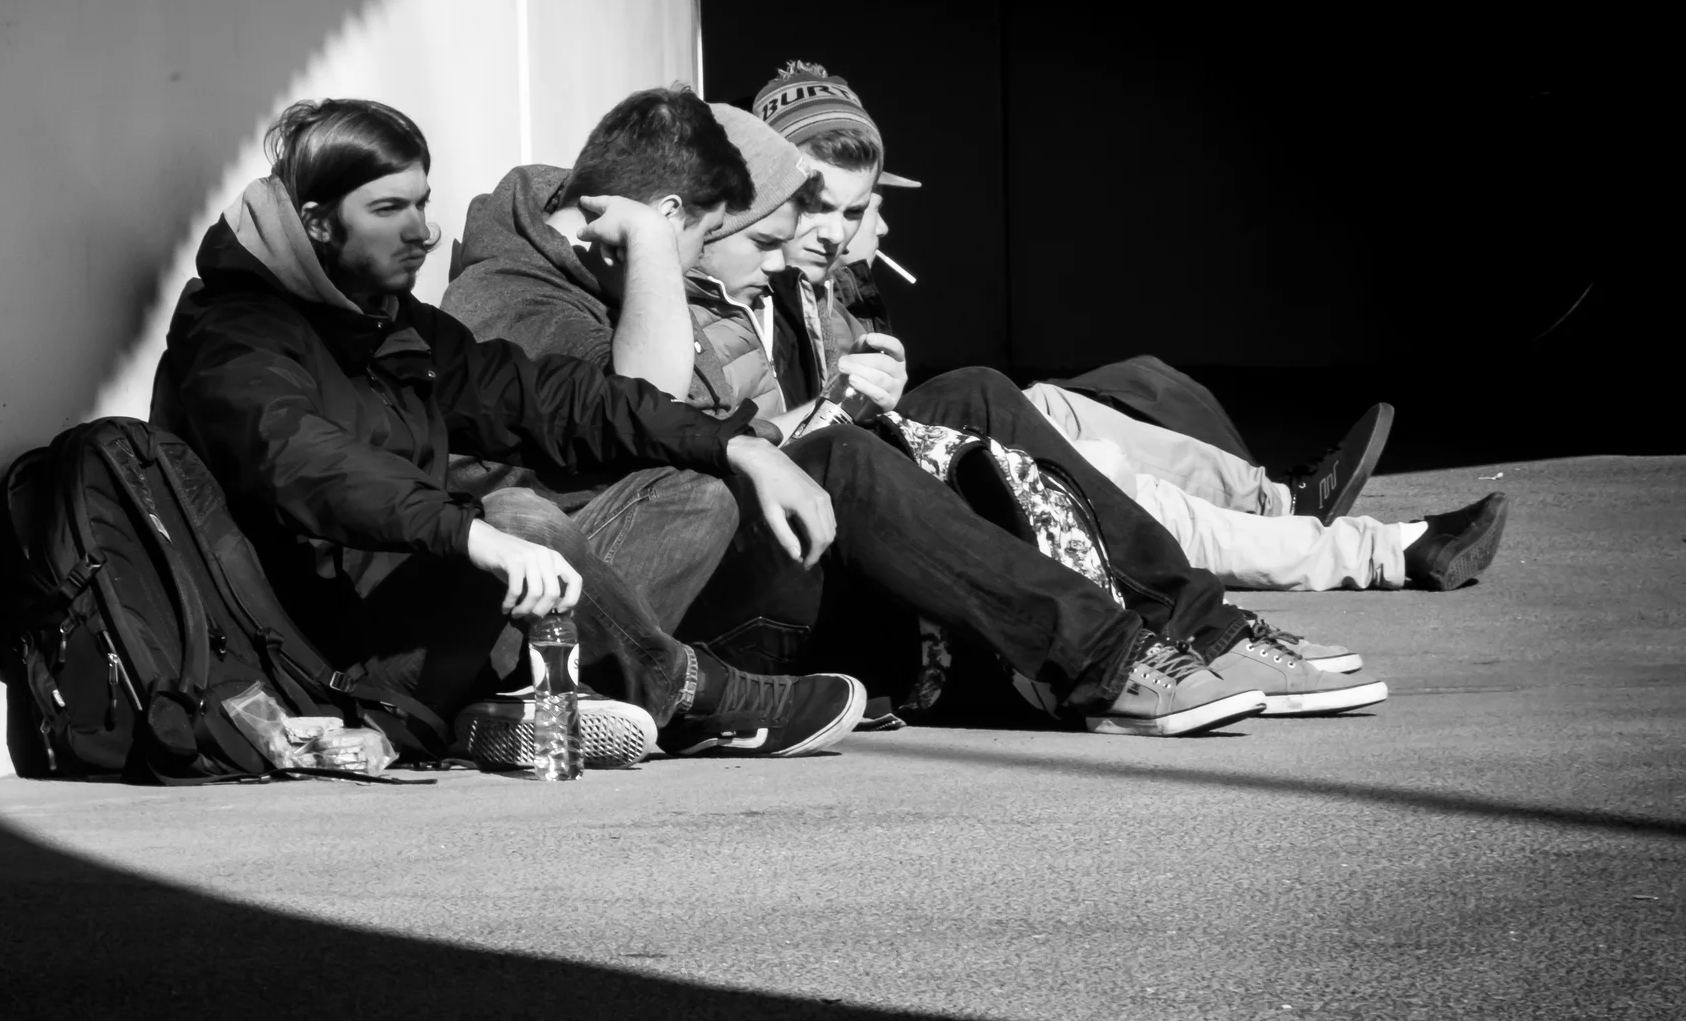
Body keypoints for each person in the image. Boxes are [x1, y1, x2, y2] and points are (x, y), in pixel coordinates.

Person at [443, 86, 1340, 733]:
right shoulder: (518, 300)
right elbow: (644, 416)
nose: (783, 256)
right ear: (667, 215)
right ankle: (1106, 661)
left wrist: (804, 413)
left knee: (971, 392)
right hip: (625, 613)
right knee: (840, 458)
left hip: (715, 546)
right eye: (732, 237)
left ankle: (1197, 627)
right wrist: (662, 264)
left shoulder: (622, 269)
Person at [150, 96, 870, 760]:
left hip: (432, 616)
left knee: (692, 489)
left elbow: (554, 399)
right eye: (388, 209)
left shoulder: (390, 323)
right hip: (322, 664)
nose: (422, 231)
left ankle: (527, 701)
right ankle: (690, 694)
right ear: (316, 221)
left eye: (422, 202)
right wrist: (470, 534)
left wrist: (736, 444)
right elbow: (303, 461)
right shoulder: (233, 332)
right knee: (521, 518)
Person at [760, 61, 1510, 595]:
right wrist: (845, 396)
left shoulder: (814, 285)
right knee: (1099, 470)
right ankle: (1373, 548)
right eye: (822, 207)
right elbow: (747, 444)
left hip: (880, 475)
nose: (849, 229)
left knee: (1054, 409)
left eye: (856, 209)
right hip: (858, 512)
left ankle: (1291, 507)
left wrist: (861, 367)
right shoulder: (739, 293)